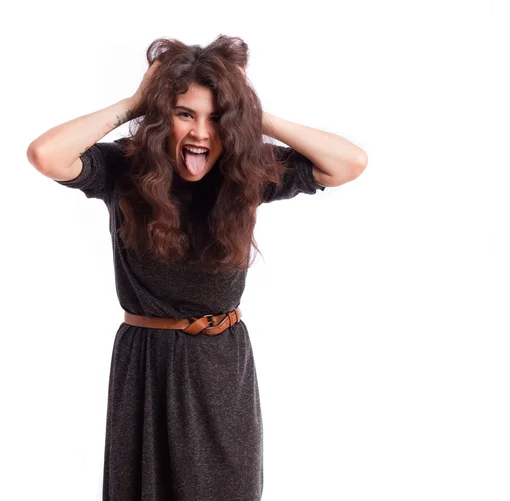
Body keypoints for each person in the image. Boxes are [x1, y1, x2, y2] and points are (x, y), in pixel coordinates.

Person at [26, 35, 367, 501]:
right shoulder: (124, 169)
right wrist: (135, 103)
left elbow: (349, 163)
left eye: (217, 118)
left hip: (220, 370)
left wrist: (248, 109)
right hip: (144, 362)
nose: (201, 134)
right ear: (164, 114)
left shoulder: (245, 174)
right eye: (186, 113)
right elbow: (46, 156)